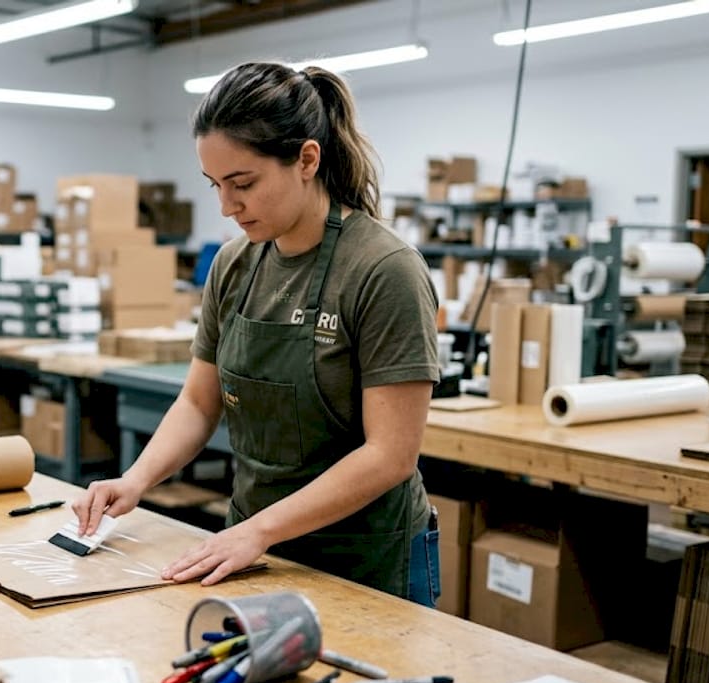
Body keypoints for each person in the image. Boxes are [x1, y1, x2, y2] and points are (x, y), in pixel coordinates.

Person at [72, 61, 441, 605]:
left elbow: (390, 454)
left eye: (243, 183)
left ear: (307, 159)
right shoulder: (233, 265)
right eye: (216, 185)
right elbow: (200, 402)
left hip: (361, 556)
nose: (227, 205)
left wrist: (260, 530)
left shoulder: (384, 270)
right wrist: (136, 480)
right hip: (252, 548)